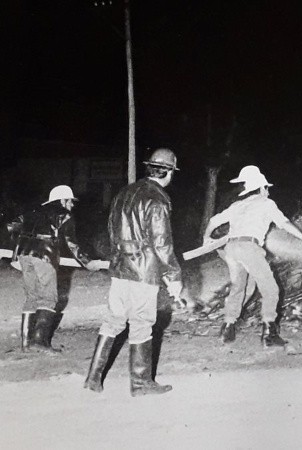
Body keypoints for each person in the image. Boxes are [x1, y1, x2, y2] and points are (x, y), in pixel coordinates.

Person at [84, 148, 183, 397]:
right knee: (142, 323)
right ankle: (140, 384)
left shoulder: (123, 193)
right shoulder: (157, 200)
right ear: (169, 171)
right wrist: (173, 277)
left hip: (120, 268)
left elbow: (110, 231)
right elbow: (161, 242)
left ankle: (92, 379)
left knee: (113, 320)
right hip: (144, 272)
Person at [203, 165, 302, 347]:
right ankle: (269, 334)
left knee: (243, 287)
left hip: (231, 248)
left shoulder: (237, 205)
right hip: (249, 247)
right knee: (270, 289)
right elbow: (284, 223)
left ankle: (227, 327)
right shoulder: (266, 203)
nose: (268, 192)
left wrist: (206, 237)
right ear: (263, 188)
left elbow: (214, 220)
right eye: (267, 188)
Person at [8, 185, 104, 353]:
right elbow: (72, 244)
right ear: (62, 200)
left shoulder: (32, 211)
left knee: (32, 296)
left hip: (23, 255)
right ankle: (39, 342)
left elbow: (11, 226)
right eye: (70, 201)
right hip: (44, 255)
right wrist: (87, 263)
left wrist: (14, 250)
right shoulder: (64, 215)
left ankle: (25, 343)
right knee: (48, 298)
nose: (72, 205)